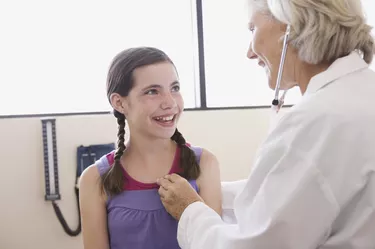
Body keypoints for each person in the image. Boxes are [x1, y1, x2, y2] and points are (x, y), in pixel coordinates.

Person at [157, 0, 375, 248]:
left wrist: (189, 209)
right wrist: (206, 190)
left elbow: (256, 243)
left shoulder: (317, 121)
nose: (250, 53)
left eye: (253, 29)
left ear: (289, 26)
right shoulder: (360, 94)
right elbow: (293, 196)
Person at [78, 47, 222, 249]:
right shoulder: (94, 179)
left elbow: (215, 243)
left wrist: (190, 206)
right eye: (152, 91)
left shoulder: (205, 163)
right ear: (119, 103)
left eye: (175, 88)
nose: (170, 102)